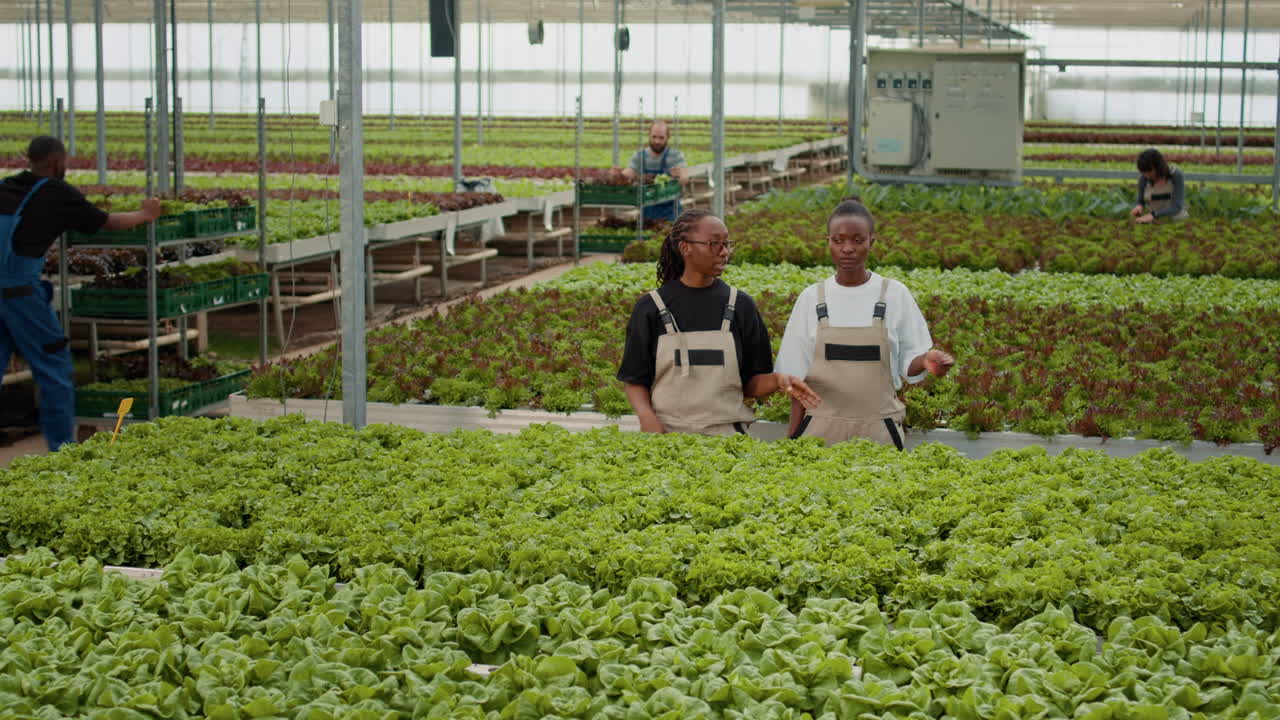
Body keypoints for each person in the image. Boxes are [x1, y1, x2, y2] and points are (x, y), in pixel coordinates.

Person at [1, 136, 160, 451]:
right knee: (54, 368)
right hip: (20, 293)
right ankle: (62, 450)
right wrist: (146, 215)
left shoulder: (4, 186)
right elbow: (109, 222)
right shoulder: (57, 193)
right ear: (57, 163)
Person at [617, 208, 820, 436]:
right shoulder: (651, 307)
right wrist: (646, 417)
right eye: (715, 244)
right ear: (686, 248)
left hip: (728, 437)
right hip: (666, 437)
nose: (724, 252)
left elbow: (751, 384)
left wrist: (780, 381)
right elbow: (635, 379)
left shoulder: (741, 306)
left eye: (727, 244)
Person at [775, 197, 953, 450]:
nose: (848, 248)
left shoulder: (894, 294)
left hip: (880, 431)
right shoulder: (812, 298)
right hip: (818, 432)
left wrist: (926, 361)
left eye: (858, 240)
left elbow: (908, 367)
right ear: (828, 242)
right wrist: (792, 439)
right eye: (838, 240)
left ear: (872, 242)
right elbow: (796, 380)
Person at [621, 120, 688, 223]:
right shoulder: (640, 156)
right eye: (654, 137)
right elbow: (629, 172)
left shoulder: (675, 156)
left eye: (661, 138)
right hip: (647, 210)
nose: (657, 141)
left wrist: (680, 176)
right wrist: (619, 175)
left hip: (671, 212)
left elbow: (684, 177)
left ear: (668, 138)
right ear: (649, 136)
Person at [1130, 148, 1189, 223]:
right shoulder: (1143, 178)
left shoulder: (1176, 175)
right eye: (1144, 172)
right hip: (1153, 217)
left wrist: (1154, 215)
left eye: (1149, 171)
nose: (1147, 175)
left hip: (1175, 216)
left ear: (1158, 166)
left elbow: (1176, 206)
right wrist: (1139, 206)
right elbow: (1140, 200)